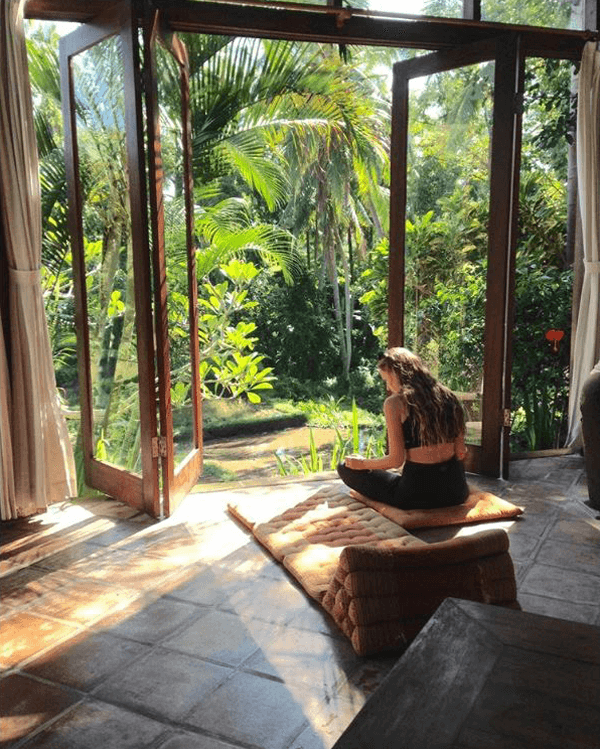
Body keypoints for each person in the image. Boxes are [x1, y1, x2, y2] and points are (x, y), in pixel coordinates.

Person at [337, 347, 469, 509]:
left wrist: (362, 464)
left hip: (415, 495)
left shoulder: (395, 403)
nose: (387, 387)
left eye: (387, 380)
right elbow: (460, 451)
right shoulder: (449, 396)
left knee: (344, 467)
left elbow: (395, 460)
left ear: (396, 374)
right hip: (456, 492)